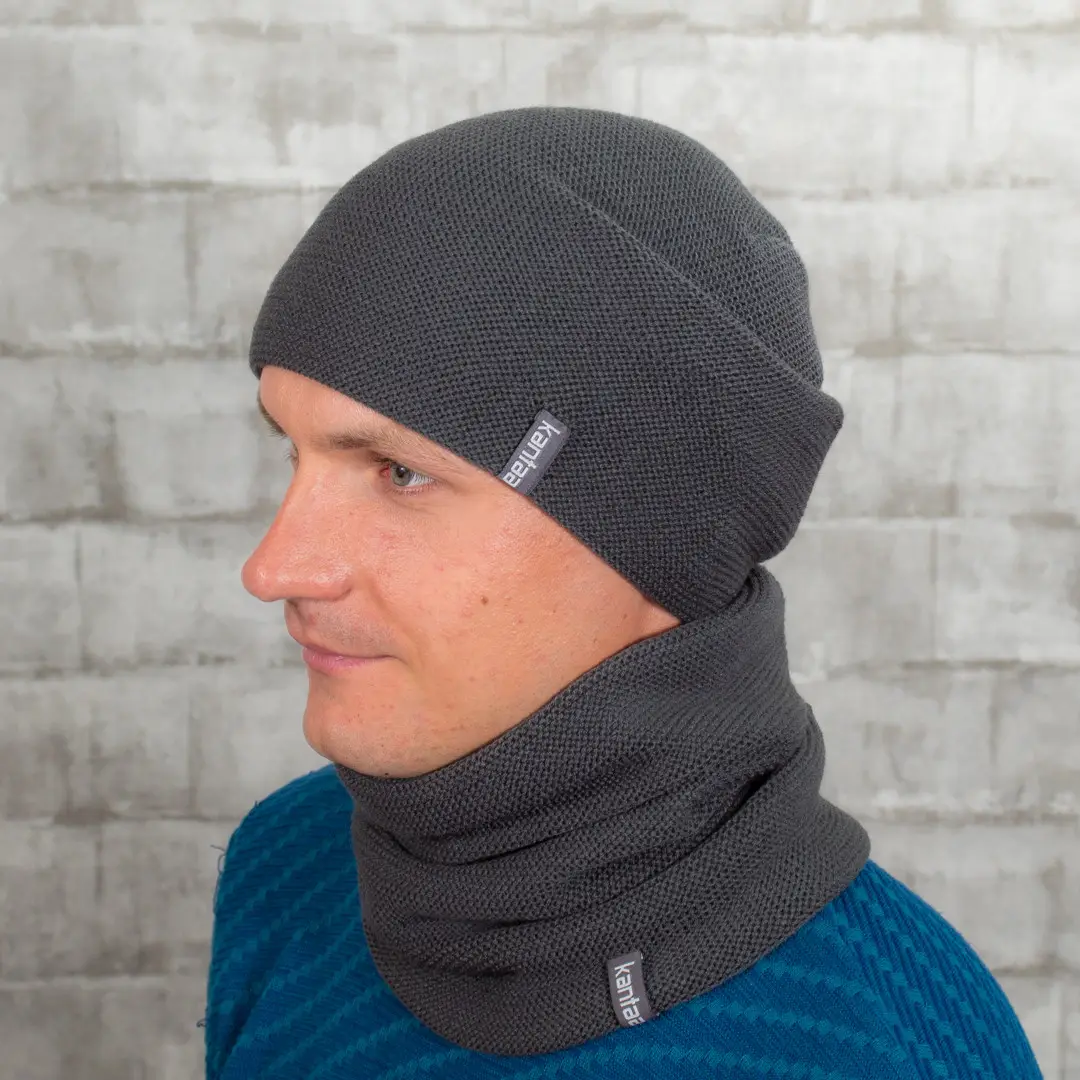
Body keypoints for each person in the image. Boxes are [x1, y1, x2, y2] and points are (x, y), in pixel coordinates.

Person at [202, 106, 1043, 1078]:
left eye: (400, 473)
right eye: (293, 452)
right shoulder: (291, 865)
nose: (274, 567)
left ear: (654, 533)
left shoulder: (870, 1047)